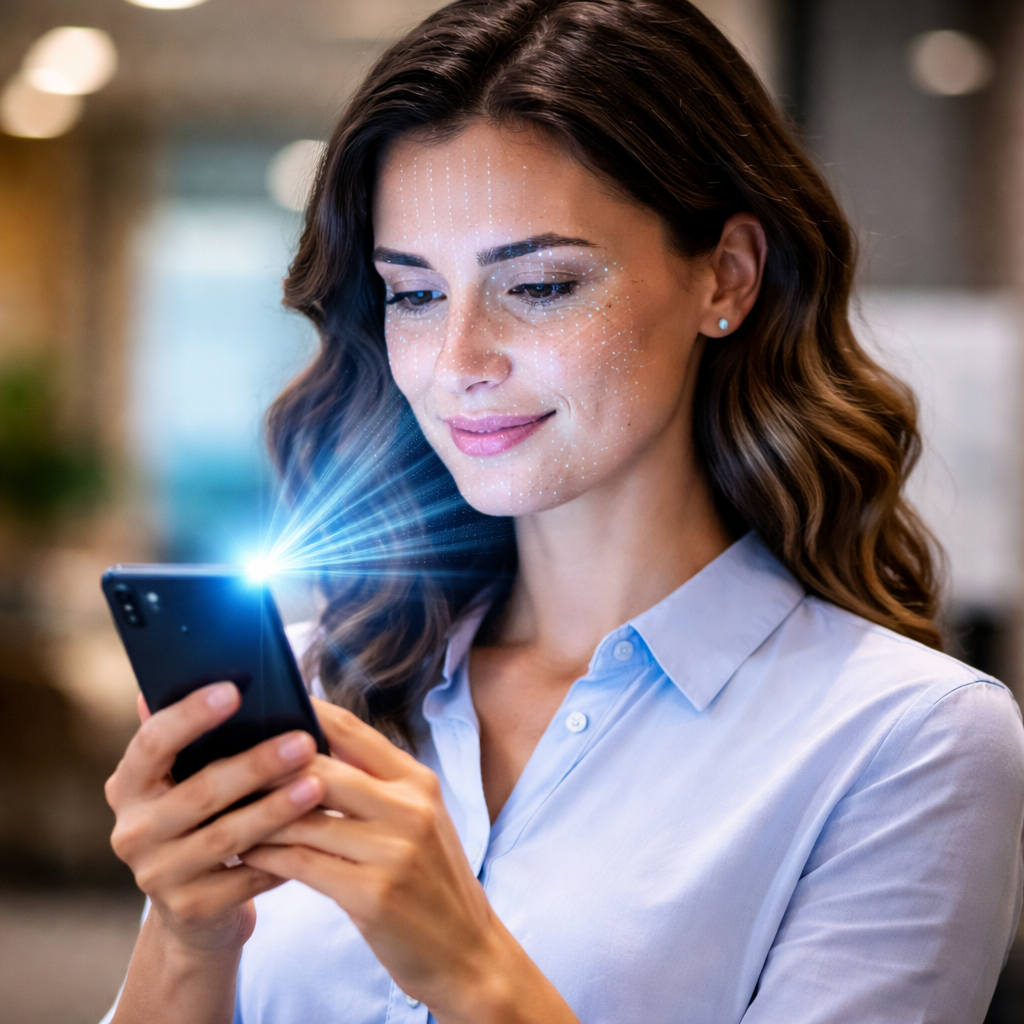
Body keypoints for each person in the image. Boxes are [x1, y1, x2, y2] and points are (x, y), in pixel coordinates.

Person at [101, 2, 1024, 1022]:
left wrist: (470, 970)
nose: (457, 364)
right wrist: (192, 935)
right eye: (411, 295)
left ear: (725, 275)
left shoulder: (905, 739)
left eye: (538, 286)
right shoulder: (319, 682)